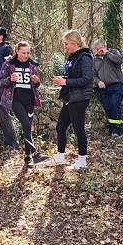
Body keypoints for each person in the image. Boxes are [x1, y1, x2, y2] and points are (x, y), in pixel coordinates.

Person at [45, 30, 93, 170]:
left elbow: (87, 79)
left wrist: (65, 83)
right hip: (70, 97)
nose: (65, 47)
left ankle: (82, 160)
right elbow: (72, 76)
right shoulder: (72, 57)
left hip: (80, 98)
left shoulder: (85, 57)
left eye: (66, 44)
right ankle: (60, 156)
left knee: (78, 129)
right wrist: (62, 80)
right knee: (60, 127)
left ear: (74, 42)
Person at [0, 41, 48, 167]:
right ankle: (35, 153)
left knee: (28, 128)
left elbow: (36, 84)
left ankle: (27, 158)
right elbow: (1, 82)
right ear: (17, 51)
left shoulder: (32, 64)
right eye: (23, 53)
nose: (26, 55)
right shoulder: (9, 64)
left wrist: (37, 81)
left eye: (28, 53)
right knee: (25, 124)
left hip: (29, 99)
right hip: (15, 99)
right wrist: (10, 79)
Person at [92, 39, 123, 137]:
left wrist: (107, 53)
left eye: (100, 48)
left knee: (115, 104)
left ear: (105, 47)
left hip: (116, 84)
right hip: (104, 88)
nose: (99, 51)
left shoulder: (113, 53)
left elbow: (119, 60)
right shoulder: (96, 60)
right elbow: (93, 75)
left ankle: (114, 131)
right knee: (108, 107)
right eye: (97, 49)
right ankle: (120, 129)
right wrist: (99, 82)